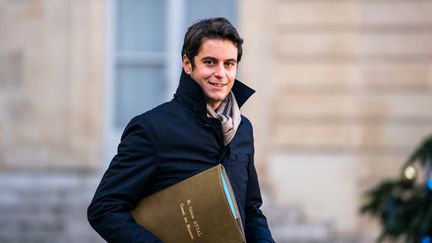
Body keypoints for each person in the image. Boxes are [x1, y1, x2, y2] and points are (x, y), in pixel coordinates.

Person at [88, 17, 274, 243]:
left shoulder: (243, 129)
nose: (221, 73)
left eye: (229, 64)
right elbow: (104, 208)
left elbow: (251, 210)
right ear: (187, 63)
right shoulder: (151, 128)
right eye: (210, 62)